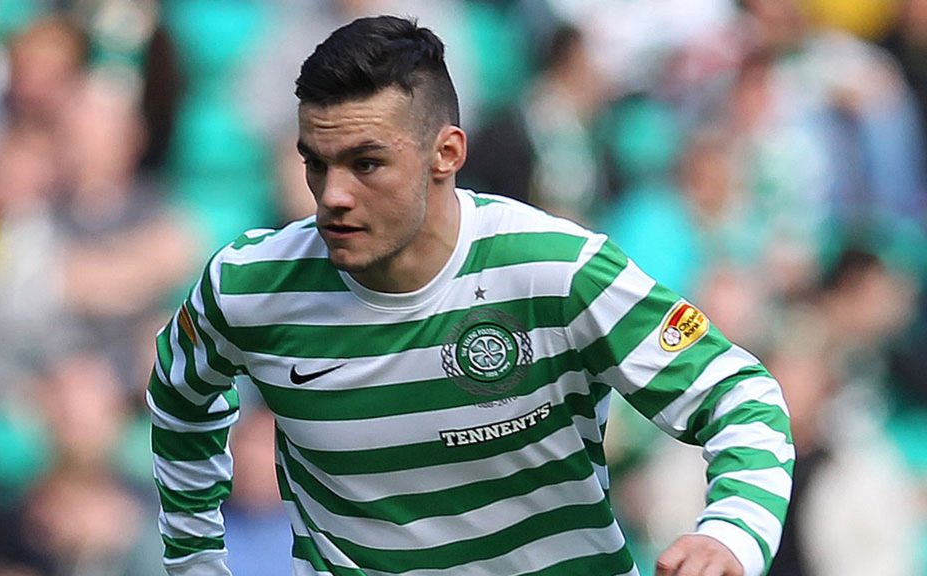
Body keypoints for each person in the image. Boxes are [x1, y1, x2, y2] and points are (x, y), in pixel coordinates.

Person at [148, 15, 793, 576]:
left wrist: (732, 534)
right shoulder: (248, 286)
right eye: (316, 162)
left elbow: (741, 395)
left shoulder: (556, 271)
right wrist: (195, 560)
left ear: (447, 153)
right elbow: (179, 402)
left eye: (366, 163)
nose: (333, 194)